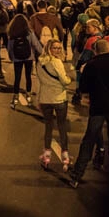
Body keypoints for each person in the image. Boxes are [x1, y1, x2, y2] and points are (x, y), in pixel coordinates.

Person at [68, 40, 109, 188]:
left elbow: (83, 87)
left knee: (89, 140)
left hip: (98, 108)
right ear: (108, 49)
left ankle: (77, 174)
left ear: (95, 51)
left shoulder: (91, 66)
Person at [36, 39, 74, 172]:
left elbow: (40, 82)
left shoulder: (40, 62)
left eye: (59, 48)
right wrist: (69, 79)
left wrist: (38, 98)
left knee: (48, 127)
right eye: (55, 48)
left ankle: (46, 156)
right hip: (59, 99)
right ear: (49, 49)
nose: (57, 50)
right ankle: (65, 155)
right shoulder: (56, 62)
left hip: (46, 99)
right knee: (62, 126)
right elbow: (65, 81)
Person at [7, 14, 42, 109]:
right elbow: (35, 44)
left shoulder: (12, 33)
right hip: (28, 57)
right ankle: (28, 95)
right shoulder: (29, 33)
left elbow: (10, 48)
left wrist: (11, 57)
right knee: (28, 76)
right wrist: (42, 53)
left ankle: (15, 97)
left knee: (17, 77)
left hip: (17, 58)